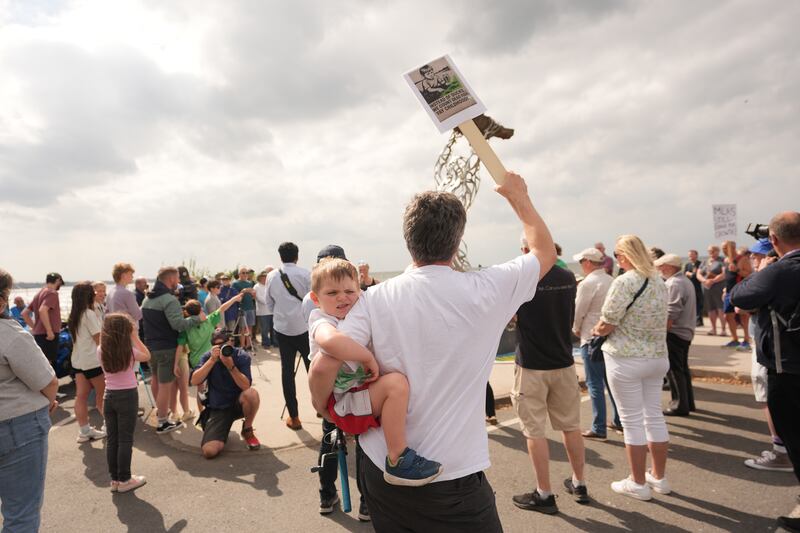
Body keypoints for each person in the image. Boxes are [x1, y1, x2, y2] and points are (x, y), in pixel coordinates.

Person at [314, 172, 556, 532]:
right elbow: (544, 252)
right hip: (454, 473)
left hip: (381, 467)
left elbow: (324, 362)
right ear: (457, 242)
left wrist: (325, 409)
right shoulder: (488, 289)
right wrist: (518, 197)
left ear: (408, 241)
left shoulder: (373, 300)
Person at [308, 258, 442, 485]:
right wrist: (366, 356)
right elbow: (329, 342)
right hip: (343, 404)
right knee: (396, 384)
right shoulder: (321, 319)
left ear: (360, 291)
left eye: (349, 290)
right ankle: (397, 458)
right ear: (315, 298)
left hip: (356, 396)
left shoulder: (359, 315)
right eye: (332, 293)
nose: (342, 297)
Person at [731, 211, 800, 531]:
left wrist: (764, 270)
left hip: (788, 369)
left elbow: (740, 296)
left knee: (795, 437)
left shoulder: (782, 269)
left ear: (773, 240)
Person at [511, 241, 588, 513]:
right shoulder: (567, 277)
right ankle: (579, 482)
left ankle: (544, 493)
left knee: (534, 431)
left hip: (532, 365)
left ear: (526, 251)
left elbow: (510, 317)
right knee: (571, 426)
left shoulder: (524, 279)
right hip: (564, 362)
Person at [592, 235, 670, 501]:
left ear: (625, 256)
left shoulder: (624, 281)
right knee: (654, 416)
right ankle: (658, 477)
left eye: (617, 255)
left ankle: (637, 482)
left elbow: (609, 320)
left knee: (632, 421)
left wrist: (597, 330)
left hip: (626, 356)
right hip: (657, 355)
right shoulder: (660, 281)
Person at [302, 245, 370, 519]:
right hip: (333, 387)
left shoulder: (348, 298)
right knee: (339, 441)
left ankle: (357, 497)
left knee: (345, 442)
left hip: (350, 386)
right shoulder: (319, 311)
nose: (340, 295)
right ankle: (330, 493)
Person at [0, 269, 59, 532]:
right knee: (21, 513)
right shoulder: (8, 333)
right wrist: (49, 401)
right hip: (15, 425)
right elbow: (47, 381)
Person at [741, 238, 793, 472]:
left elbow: (739, 300)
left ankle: (781, 451)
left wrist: (761, 274)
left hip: (775, 352)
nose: (752, 259)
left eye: (756, 256)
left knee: (768, 397)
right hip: (775, 349)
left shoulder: (773, 275)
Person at [142, 266, 205, 434]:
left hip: (151, 347)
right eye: (177, 278)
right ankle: (163, 422)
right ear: (170, 279)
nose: (178, 281)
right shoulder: (169, 300)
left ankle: (161, 413)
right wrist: (196, 319)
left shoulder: (147, 299)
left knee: (155, 381)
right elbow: (178, 325)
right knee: (165, 386)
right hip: (167, 348)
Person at [98, 313, 151, 493]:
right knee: (125, 439)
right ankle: (125, 479)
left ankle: (115, 480)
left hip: (109, 396)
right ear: (125, 331)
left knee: (113, 439)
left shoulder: (101, 349)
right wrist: (135, 336)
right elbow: (147, 355)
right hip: (127, 396)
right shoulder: (129, 350)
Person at [572, 247, 621, 439]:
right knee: (612, 383)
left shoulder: (588, 283)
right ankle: (619, 420)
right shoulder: (612, 280)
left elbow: (579, 310)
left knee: (595, 384)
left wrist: (575, 328)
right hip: (611, 336)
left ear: (588, 262)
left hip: (591, 335)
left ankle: (598, 426)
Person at [190, 330, 261, 458]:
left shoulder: (241, 356)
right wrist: (212, 361)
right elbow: (194, 380)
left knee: (251, 394)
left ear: (230, 341)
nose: (221, 347)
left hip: (238, 403)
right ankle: (218, 429)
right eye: (217, 345)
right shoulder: (208, 357)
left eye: (224, 343)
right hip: (219, 407)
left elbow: (246, 386)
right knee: (209, 451)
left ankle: (247, 430)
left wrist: (231, 366)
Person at [266, 242, 312, 431]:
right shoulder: (305, 274)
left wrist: (281, 316)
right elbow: (312, 300)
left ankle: (294, 417)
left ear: (280, 256)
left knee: (287, 372)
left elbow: (269, 303)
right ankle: (321, 408)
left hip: (282, 329)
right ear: (297, 256)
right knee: (314, 368)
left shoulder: (271, 276)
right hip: (304, 327)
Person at [177, 293, 244, 413]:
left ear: (187, 312)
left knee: (200, 389)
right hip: (212, 356)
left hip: (196, 361)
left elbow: (180, 346)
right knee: (215, 384)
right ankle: (217, 409)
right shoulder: (208, 321)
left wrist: (175, 364)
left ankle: (202, 412)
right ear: (200, 309)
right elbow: (222, 308)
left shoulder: (185, 327)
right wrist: (235, 299)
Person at [655, 254, 697, 416]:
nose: (659, 269)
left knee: (674, 369)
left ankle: (679, 404)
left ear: (669, 266)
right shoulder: (684, 281)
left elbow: (671, 313)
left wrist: (661, 333)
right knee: (682, 369)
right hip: (685, 331)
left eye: (661, 266)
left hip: (675, 332)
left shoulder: (674, 283)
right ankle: (687, 402)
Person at [68, 282, 107, 443]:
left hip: (78, 360)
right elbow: (99, 340)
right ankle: (109, 424)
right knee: (103, 394)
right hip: (93, 360)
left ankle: (84, 431)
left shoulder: (74, 315)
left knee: (81, 396)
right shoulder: (88, 314)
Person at [22, 272, 64, 372]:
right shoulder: (52, 293)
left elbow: (24, 313)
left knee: (42, 364)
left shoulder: (39, 293)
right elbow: (42, 310)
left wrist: (35, 327)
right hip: (48, 335)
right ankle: (50, 387)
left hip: (39, 334)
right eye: (60, 283)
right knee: (48, 365)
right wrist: (49, 331)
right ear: (58, 280)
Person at [722, 240, 752, 349]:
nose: (723, 250)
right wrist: (725, 289)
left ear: (732, 248)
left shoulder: (742, 259)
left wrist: (738, 270)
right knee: (728, 316)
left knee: (743, 316)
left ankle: (746, 339)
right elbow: (726, 276)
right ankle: (734, 339)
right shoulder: (726, 260)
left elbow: (750, 274)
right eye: (722, 248)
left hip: (740, 290)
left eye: (725, 247)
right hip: (729, 291)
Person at [697, 245, 726, 336]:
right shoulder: (705, 261)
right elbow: (698, 273)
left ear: (718, 251)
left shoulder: (722, 261)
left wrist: (713, 281)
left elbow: (724, 274)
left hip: (718, 287)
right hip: (706, 288)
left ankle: (723, 329)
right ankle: (713, 329)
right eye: (710, 251)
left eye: (713, 251)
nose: (711, 253)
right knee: (710, 309)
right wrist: (705, 281)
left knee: (720, 308)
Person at [232, 267, 256, 351]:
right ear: (239, 274)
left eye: (246, 273)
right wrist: (244, 290)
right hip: (242, 308)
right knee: (242, 328)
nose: (245, 274)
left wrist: (253, 294)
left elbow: (253, 296)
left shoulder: (250, 283)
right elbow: (234, 296)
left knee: (250, 327)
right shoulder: (235, 283)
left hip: (250, 307)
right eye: (243, 273)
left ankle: (249, 345)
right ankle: (242, 346)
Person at [255, 270, 275, 349]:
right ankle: (265, 343)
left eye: (266, 277)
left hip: (272, 311)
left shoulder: (269, 285)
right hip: (262, 312)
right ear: (259, 278)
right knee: (265, 329)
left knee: (273, 328)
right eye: (263, 277)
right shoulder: (256, 286)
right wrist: (270, 301)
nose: (265, 278)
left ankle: (274, 342)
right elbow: (259, 298)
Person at [684, 249, 704, 326]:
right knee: (691, 304)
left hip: (699, 286)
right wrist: (690, 274)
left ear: (696, 255)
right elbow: (684, 274)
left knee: (699, 303)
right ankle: (693, 320)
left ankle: (699, 321)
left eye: (692, 255)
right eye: (689, 255)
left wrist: (690, 274)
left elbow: (698, 275)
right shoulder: (687, 265)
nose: (690, 256)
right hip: (690, 286)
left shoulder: (700, 264)